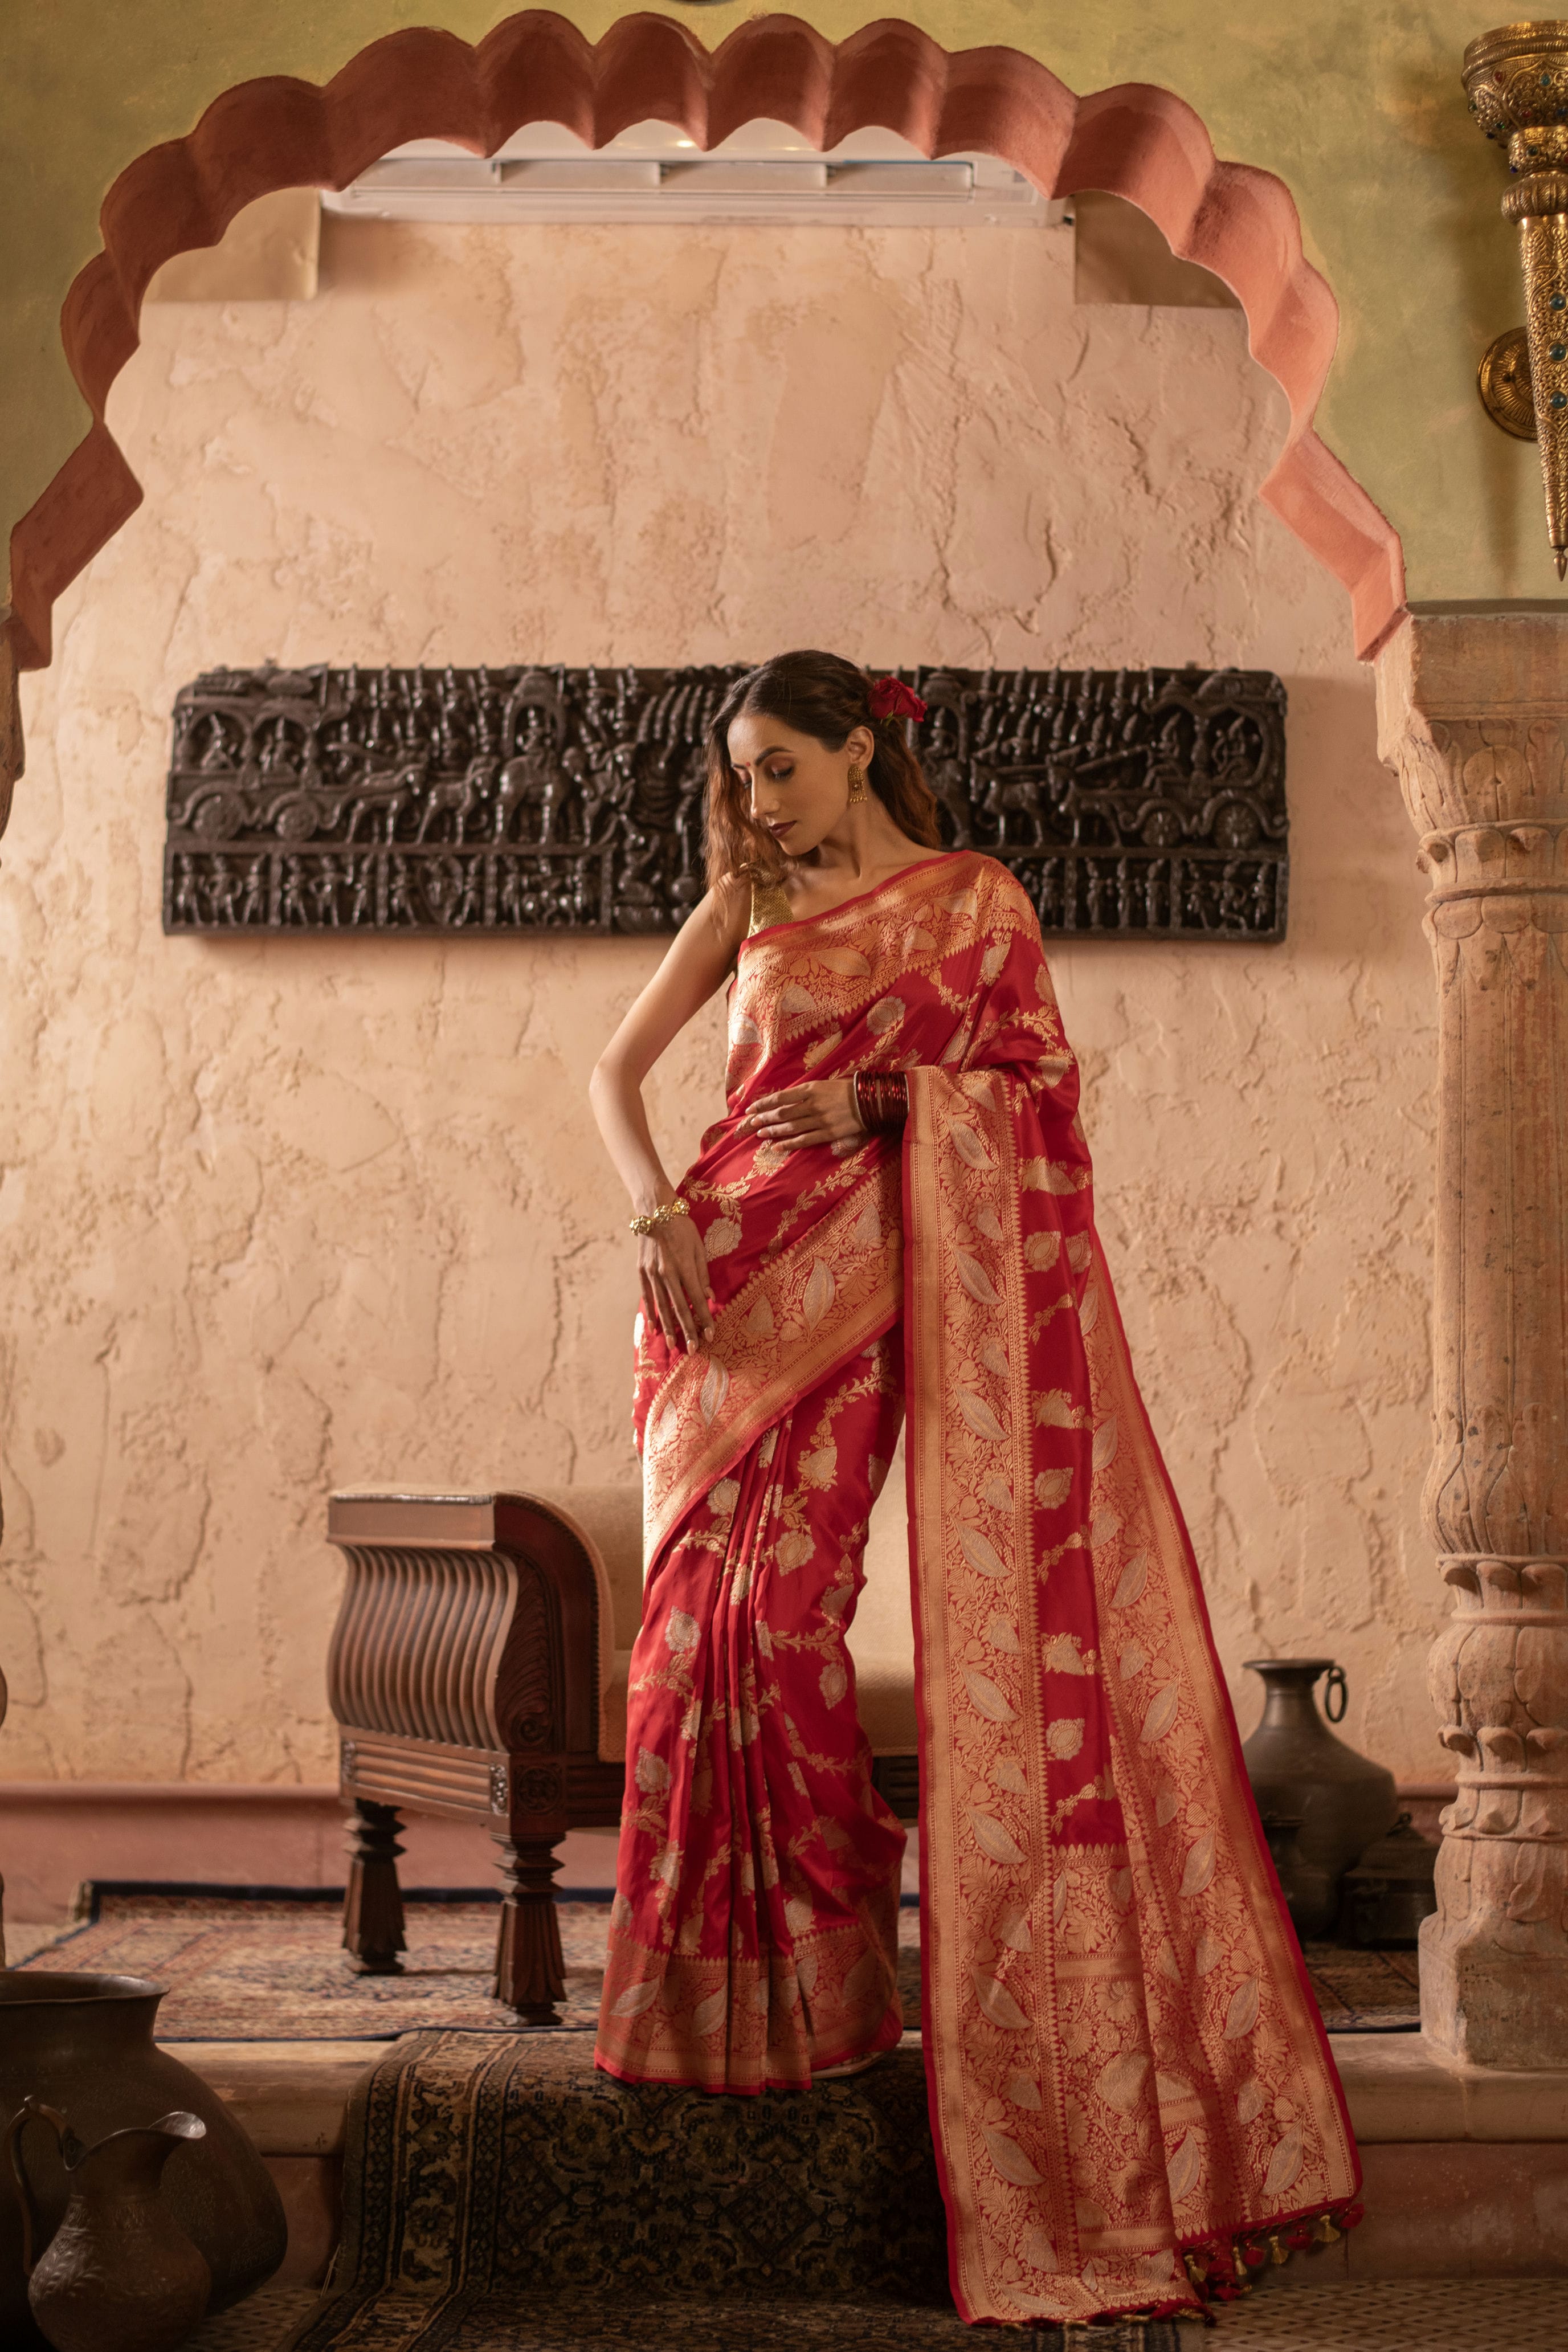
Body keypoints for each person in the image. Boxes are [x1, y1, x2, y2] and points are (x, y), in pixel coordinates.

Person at [587, 650, 1359, 2328]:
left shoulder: (975, 905)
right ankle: (702, 2015)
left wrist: (884, 1101)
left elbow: (1037, 1103)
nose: (762, 798)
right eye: (745, 773)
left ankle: (831, 1996)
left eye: (785, 766)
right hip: (720, 1303)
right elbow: (610, 1074)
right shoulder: (743, 900)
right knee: (683, 1660)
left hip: (872, 1291)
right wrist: (655, 1214)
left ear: (860, 751)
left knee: (782, 1636)